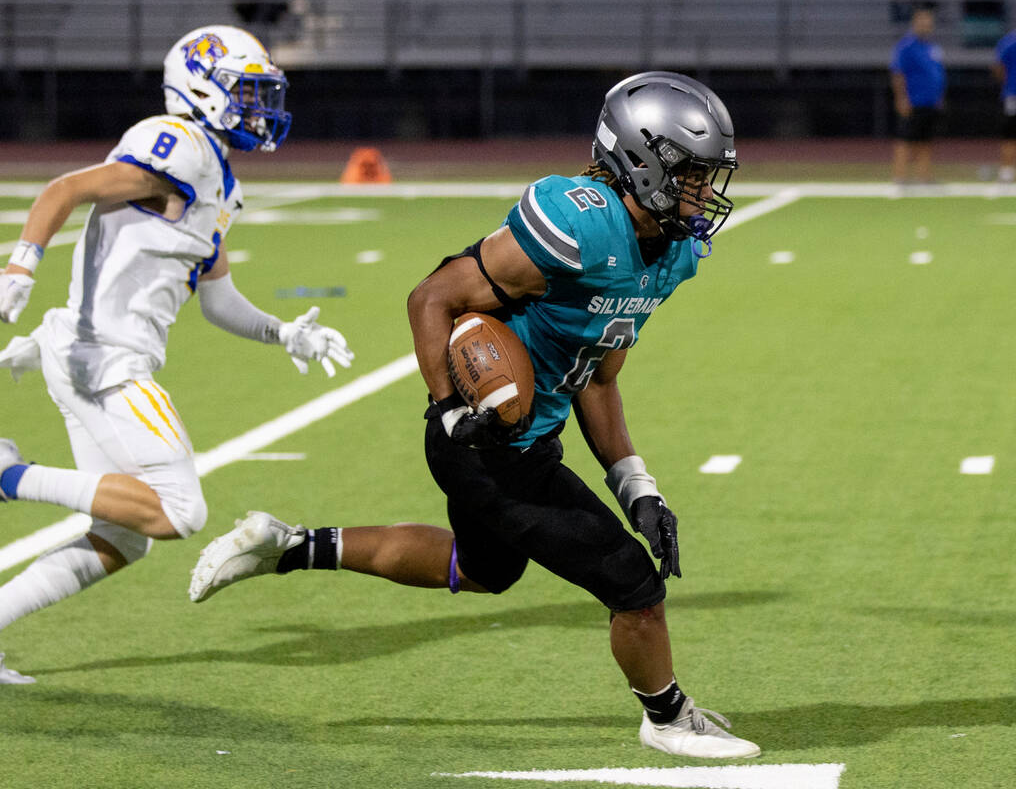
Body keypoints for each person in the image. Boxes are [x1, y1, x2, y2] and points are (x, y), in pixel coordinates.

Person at [188, 71, 760, 759]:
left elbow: (599, 376)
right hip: (485, 435)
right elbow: (431, 297)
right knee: (631, 583)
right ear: (639, 161)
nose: (704, 193)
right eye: (691, 175)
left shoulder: (670, 254)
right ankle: (667, 717)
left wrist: (634, 482)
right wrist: (452, 410)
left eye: (708, 177)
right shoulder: (580, 222)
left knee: (485, 569)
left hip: (525, 438)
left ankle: (287, 545)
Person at [0, 24, 353, 684]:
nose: (260, 108)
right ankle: (4, 477)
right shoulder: (178, 144)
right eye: (246, 91)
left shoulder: (218, 178)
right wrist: (21, 265)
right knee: (181, 511)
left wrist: (282, 332)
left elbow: (218, 297)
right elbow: (64, 189)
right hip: (106, 361)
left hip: (90, 357)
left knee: (124, 536)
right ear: (202, 90)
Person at [890, 6, 946, 184]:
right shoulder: (906, 46)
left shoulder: (932, 47)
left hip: (930, 101)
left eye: (928, 22)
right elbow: (898, 74)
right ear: (914, 23)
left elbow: (937, 73)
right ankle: (900, 176)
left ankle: (924, 175)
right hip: (913, 100)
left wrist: (938, 96)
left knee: (925, 140)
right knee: (905, 139)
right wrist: (901, 98)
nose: (926, 25)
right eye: (922, 21)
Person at [994, 27, 1016, 182]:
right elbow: (998, 67)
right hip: (1013, 96)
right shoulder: (1009, 42)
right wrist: (1008, 86)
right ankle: (1007, 171)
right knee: (1011, 133)